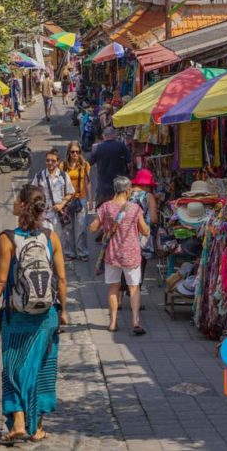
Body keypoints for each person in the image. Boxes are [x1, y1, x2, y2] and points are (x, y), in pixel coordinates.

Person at [0, 184, 67, 444]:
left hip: (16, 317)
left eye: (16, 200)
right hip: (46, 315)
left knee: (14, 368)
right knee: (41, 369)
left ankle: (17, 422)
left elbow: (0, 280)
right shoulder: (51, 238)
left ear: (23, 206)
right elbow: (61, 278)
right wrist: (63, 311)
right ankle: (36, 427)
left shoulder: (7, 238)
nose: (13, 204)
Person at [89, 176, 150, 335]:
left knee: (113, 288)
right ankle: (136, 322)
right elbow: (144, 230)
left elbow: (93, 228)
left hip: (112, 254)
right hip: (131, 254)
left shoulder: (105, 207)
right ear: (128, 190)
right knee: (134, 287)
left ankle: (113, 322)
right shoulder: (135, 208)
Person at [118, 169, 159, 310]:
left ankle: (118, 300)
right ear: (147, 185)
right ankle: (134, 301)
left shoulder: (125, 194)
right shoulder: (148, 196)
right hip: (142, 238)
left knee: (124, 267)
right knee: (139, 268)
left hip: (125, 237)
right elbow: (153, 219)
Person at [32, 149, 74, 243]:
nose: (50, 163)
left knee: (60, 242)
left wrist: (61, 205)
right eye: (47, 160)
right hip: (45, 215)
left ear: (58, 162)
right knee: (48, 239)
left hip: (60, 215)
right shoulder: (39, 176)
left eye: (53, 161)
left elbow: (70, 193)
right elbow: (32, 194)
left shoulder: (63, 176)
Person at [60, 141, 92, 261]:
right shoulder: (63, 166)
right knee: (68, 228)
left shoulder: (84, 165)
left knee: (81, 227)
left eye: (77, 152)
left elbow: (88, 182)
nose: (75, 154)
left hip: (81, 198)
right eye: (72, 152)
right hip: (67, 200)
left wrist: (90, 199)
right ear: (68, 153)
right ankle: (69, 252)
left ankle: (82, 251)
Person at [88, 126, 131, 208]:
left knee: (103, 211)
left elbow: (89, 162)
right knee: (119, 211)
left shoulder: (97, 148)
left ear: (104, 136)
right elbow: (129, 163)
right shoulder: (121, 146)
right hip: (119, 186)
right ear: (114, 135)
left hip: (103, 187)